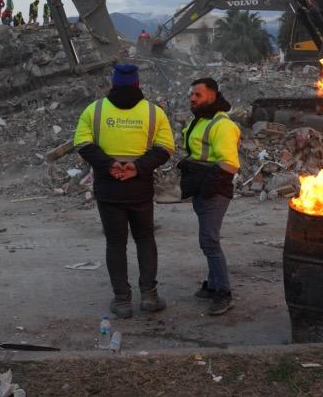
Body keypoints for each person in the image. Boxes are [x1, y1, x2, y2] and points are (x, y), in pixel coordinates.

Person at [73, 64, 175, 319]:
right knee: (144, 238)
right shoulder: (154, 113)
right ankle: (149, 296)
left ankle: (122, 301)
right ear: (138, 84)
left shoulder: (94, 110)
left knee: (115, 242)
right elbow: (165, 149)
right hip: (140, 187)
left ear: (113, 83)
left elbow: (82, 144)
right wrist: (136, 167)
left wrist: (110, 165)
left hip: (108, 188)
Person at [177, 77, 240, 316]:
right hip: (202, 187)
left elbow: (230, 164)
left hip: (214, 190)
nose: (192, 98)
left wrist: (205, 187)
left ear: (213, 95)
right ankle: (213, 285)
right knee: (208, 240)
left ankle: (223, 293)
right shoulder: (202, 120)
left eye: (198, 95)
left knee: (210, 241)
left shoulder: (221, 124)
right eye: (191, 94)